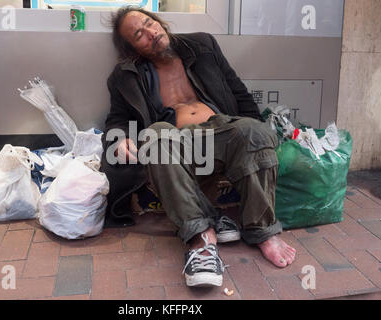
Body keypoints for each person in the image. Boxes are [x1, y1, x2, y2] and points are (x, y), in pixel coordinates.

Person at [101, 6, 296, 287]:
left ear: (159, 21)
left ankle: (263, 231)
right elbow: (117, 118)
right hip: (177, 143)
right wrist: (119, 137)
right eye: (139, 35)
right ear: (133, 49)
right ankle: (202, 238)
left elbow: (237, 88)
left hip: (221, 131)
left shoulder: (202, 45)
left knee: (254, 130)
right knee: (155, 135)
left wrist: (257, 130)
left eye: (149, 23)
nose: (150, 33)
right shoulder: (124, 76)